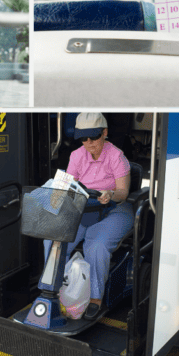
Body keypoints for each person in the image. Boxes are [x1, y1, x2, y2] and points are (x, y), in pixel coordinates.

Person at [44, 112, 133, 320]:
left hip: (114, 209)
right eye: (84, 138)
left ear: (105, 133)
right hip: (85, 208)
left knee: (96, 245)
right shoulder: (77, 155)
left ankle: (95, 298)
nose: (89, 143)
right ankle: (55, 288)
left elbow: (123, 192)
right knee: (53, 238)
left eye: (94, 137)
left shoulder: (116, 156)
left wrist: (110, 194)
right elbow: (70, 185)